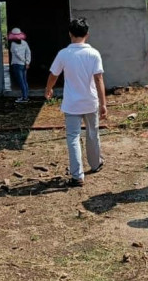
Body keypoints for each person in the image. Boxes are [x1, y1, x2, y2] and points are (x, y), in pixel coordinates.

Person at [45, 18, 107, 187]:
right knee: (92, 134)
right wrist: (103, 103)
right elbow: (99, 79)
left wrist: (49, 88)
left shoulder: (64, 54)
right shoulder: (93, 53)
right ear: (87, 34)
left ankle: (77, 175)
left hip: (72, 104)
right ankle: (95, 164)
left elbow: (54, 74)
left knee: (73, 137)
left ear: (70, 34)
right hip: (90, 102)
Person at [8, 27, 31, 103]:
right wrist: (27, 62)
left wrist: (25, 61)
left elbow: (17, 55)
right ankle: (26, 96)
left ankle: (24, 98)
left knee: (21, 81)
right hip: (24, 65)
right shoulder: (25, 43)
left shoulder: (13, 44)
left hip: (17, 64)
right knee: (24, 81)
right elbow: (28, 52)